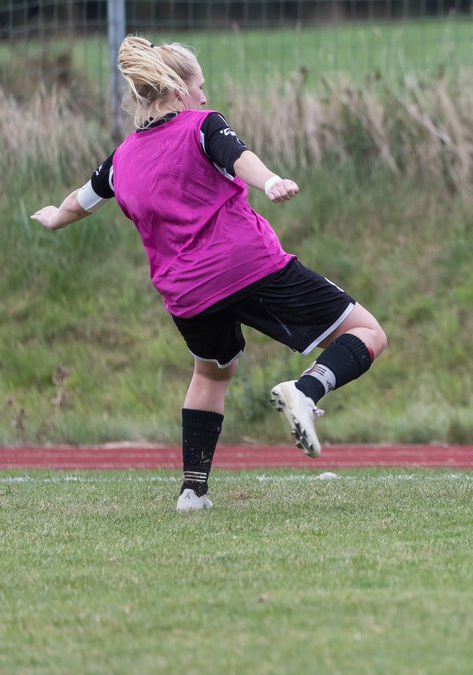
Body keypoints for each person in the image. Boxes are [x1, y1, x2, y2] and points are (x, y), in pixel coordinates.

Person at [30, 35, 388, 512]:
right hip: (248, 267)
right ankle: (305, 391)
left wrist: (54, 216)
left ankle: (192, 492)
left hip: (187, 296)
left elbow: (82, 199)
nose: (204, 95)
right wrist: (272, 180)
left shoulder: (121, 159)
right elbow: (237, 157)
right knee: (368, 332)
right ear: (178, 90)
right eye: (199, 86)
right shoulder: (202, 124)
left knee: (213, 373)